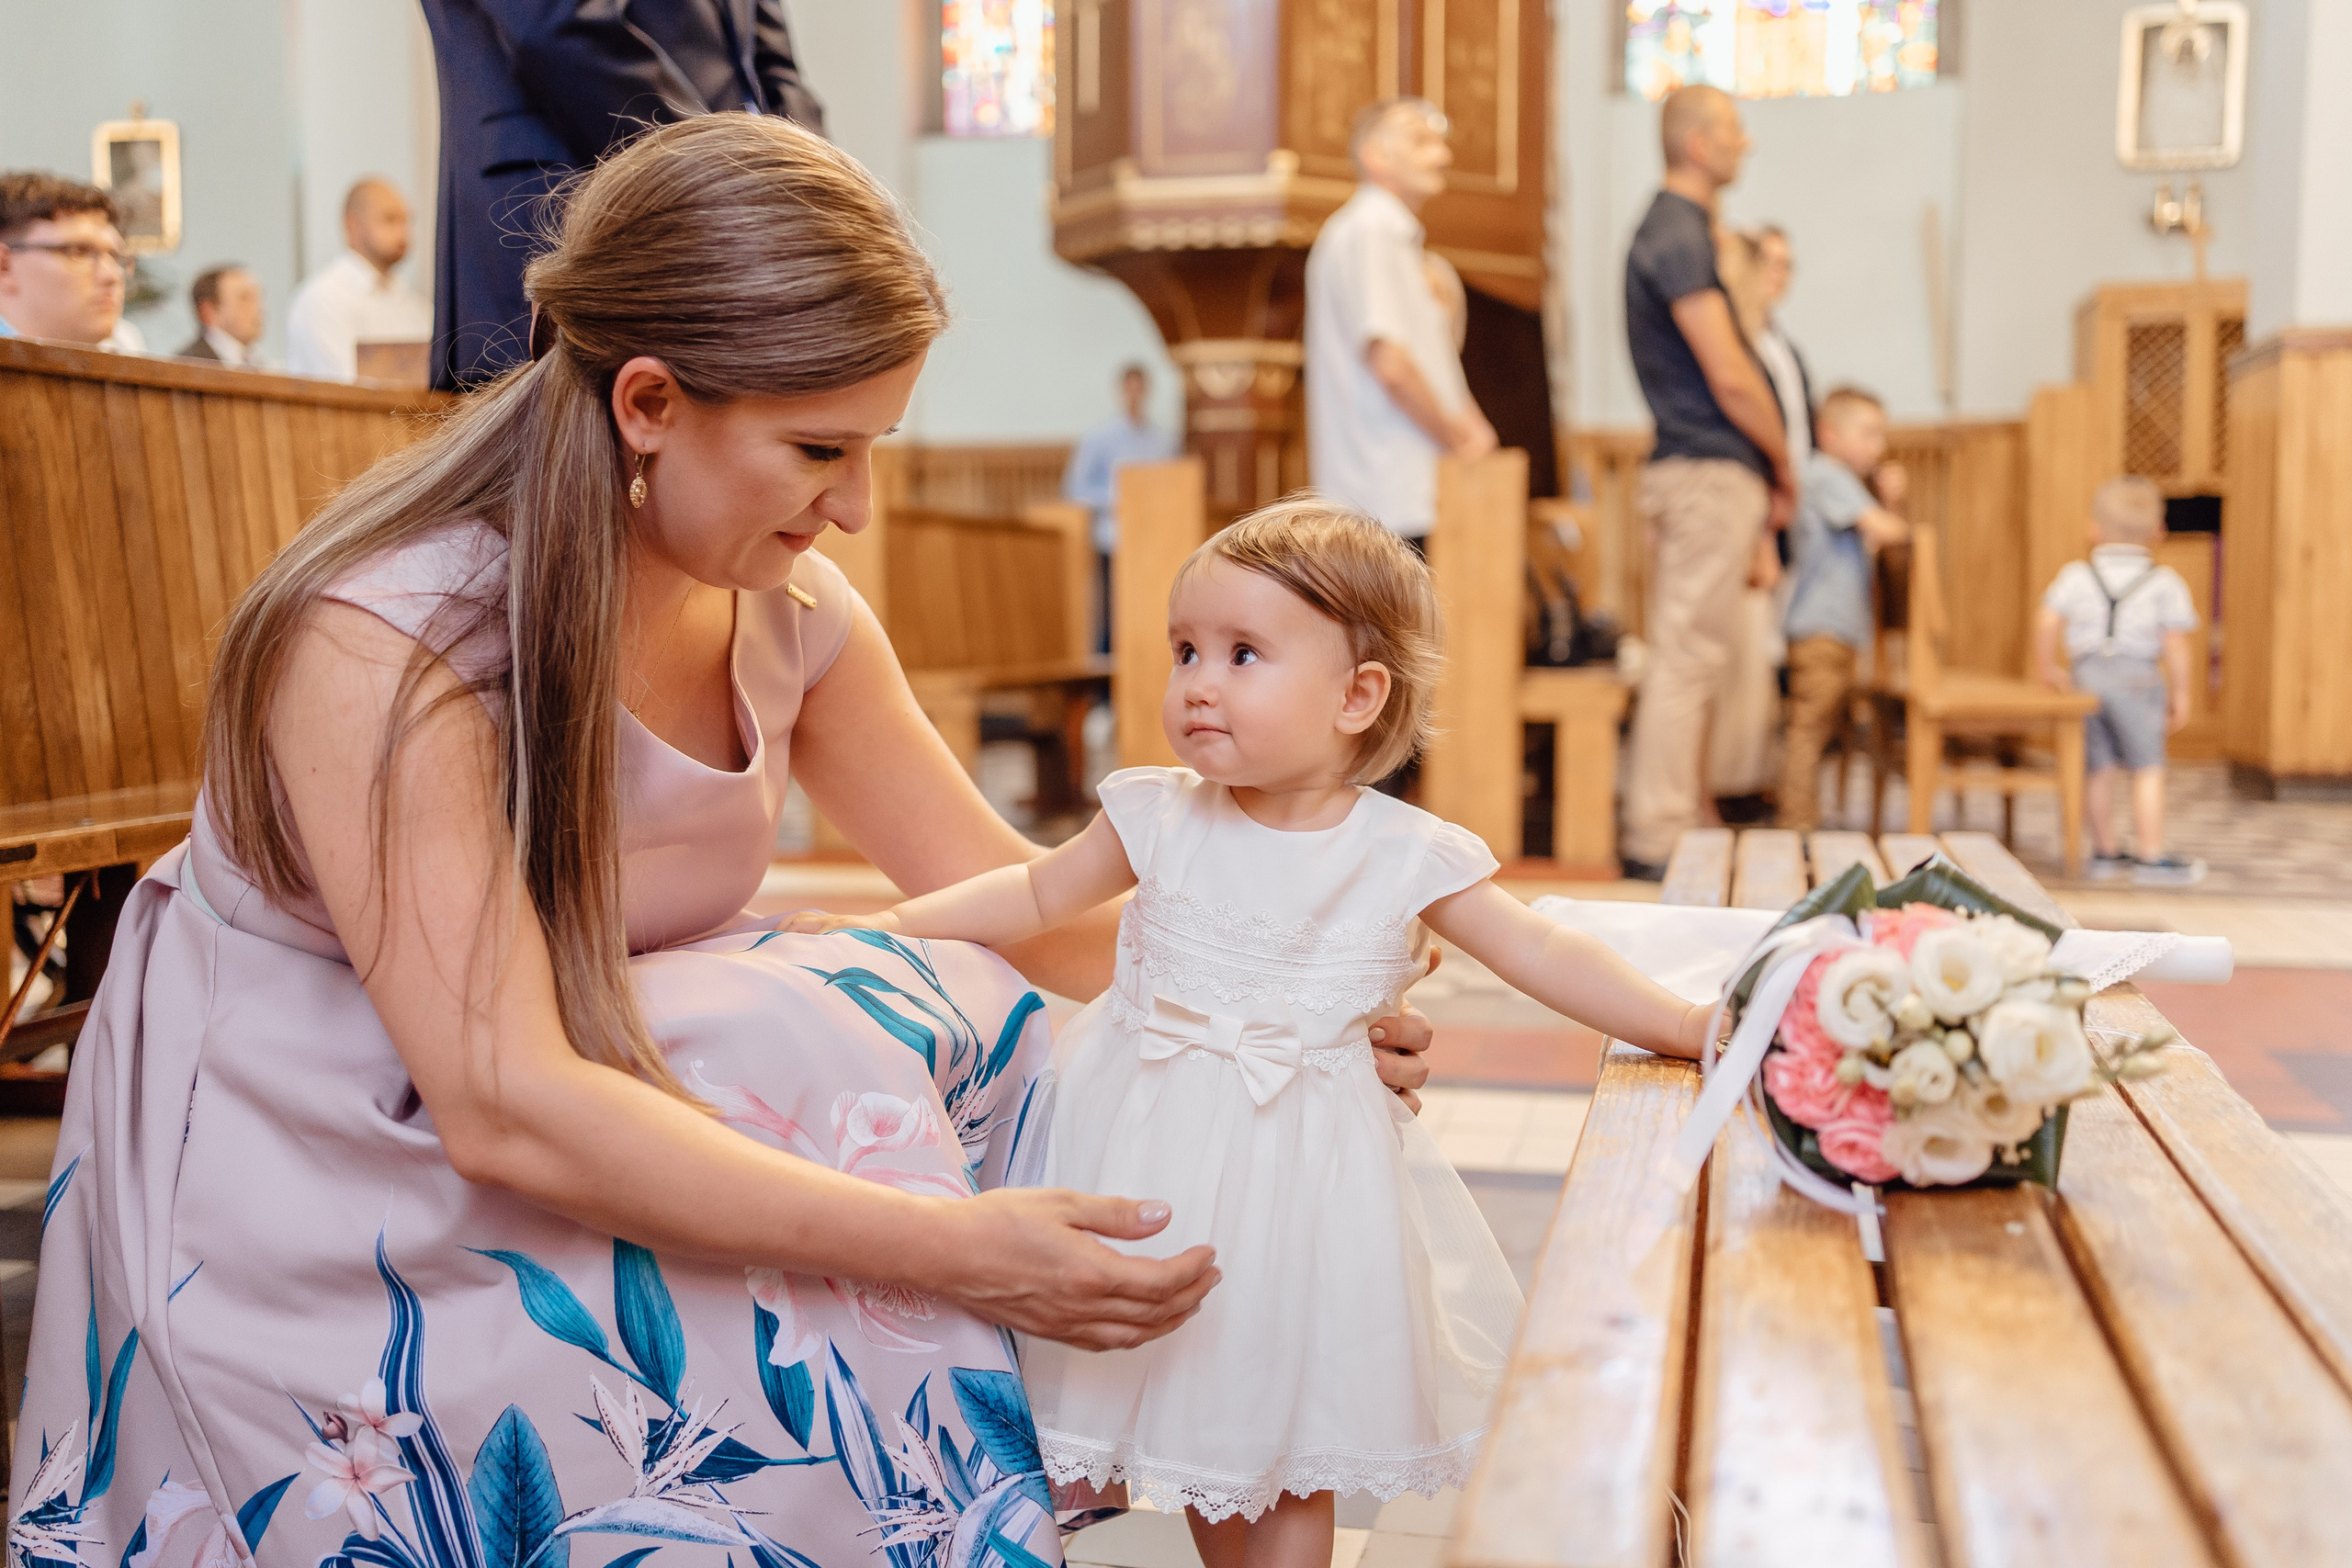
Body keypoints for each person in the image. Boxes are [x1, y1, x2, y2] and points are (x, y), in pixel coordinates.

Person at [10, 117, 1441, 1546]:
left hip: (589, 1061)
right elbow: (502, 1098)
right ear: (648, 401)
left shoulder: (789, 605)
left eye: (872, 448)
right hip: (335, 1159)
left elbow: (1021, 898)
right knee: (809, 1031)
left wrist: (1289, 991)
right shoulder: (390, 640)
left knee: (977, 1006)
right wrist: (953, 1247)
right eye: (820, 448)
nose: (856, 507)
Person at [789, 502, 1712, 1564]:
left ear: (1357, 696)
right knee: (1170, 1420)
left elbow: (1544, 952)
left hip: (1302, 1187)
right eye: (1184, 649)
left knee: (1280, 1437)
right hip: (1140, 1148)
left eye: (1241, 654)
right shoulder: (1156, 815)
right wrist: (886, 927)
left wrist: (1687, 1022)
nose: (1197, 682)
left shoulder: (1405, 853)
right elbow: (1034, 893)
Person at [417, 0, 822, 390]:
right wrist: (712, 166)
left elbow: (769, 65)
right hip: (570, 192)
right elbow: (557, 24)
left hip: (731, 228)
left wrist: (816, 188)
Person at [1619, 85, 1797, 878]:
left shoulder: (1685, 229)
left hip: (1705, 467)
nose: (1745, 142)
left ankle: (1681, 815)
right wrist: (1784, 459)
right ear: (1696, 142)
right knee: (1686, 655)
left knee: (1696, 655)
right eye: (1732, 129)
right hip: (1705, 467)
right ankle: (1656, 833)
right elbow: (1729, 374)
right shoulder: (1676, 231)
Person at [1306, 98, 1498, 544]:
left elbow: (1431, 364)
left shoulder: (1393, 239)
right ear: (1375, 155)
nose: (1442, 156)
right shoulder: (1371, 229)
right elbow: (1390, 363)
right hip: (1388, 492)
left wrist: (1471, 425)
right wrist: (1460, 440)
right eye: (1420, 141)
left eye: (1440, 143)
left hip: (1406, 491)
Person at [2035, 477, 2203, 884]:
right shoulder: (2164, 582)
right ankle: (2150, 855)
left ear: (2093, 530)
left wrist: (2047, 666)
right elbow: (2175, 643)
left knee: (2099, 767)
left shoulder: (2077, 574)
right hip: (2138, 680)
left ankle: (2105, 852)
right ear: (2158, 533)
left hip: (2086, 678)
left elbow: (2047, 619)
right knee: (2147, 767)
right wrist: (2182, 692)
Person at [1778, 388, 1909, 830]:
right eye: (1868, 433)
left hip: (1832, 627)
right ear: (1829, 434)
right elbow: (1886, 531)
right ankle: (1796, 823)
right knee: (1808, 729)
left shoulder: (1836, 480)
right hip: (1822, 626)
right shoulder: (1827, 475)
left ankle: (1803, 816)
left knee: (1818, 729)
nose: (1879, 446)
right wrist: (1893, 506)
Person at [1063, 362, 1179, 651]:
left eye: (1140, 388)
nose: (1135, 394)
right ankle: (1108, 667)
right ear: (1122, 390)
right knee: (1114, 608)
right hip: (1113, 537)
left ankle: (1150, 659)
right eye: (1130, 388)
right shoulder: (1100, 438)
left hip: (1153, 539)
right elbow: (1076, 489)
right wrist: (1120, 498)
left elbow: (1173, 486)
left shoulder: (1162, 441)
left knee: (1152, 604)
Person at [285, 177, 432, 380]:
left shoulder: (417, 306)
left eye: (407, 221)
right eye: (390, 219)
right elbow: (346, 388)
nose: (403, 232)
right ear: (353, 225)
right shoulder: (322, 300)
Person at [0, 172, 144, 352]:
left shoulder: (126, 349)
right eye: (79, 252)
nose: (111, 276)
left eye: (116, 258)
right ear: (4, 266)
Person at [175, 263, 266, 367]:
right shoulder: (184, 367)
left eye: (257, 298)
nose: (259, 308)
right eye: (244, 298)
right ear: (208, 311)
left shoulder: (260, 364)